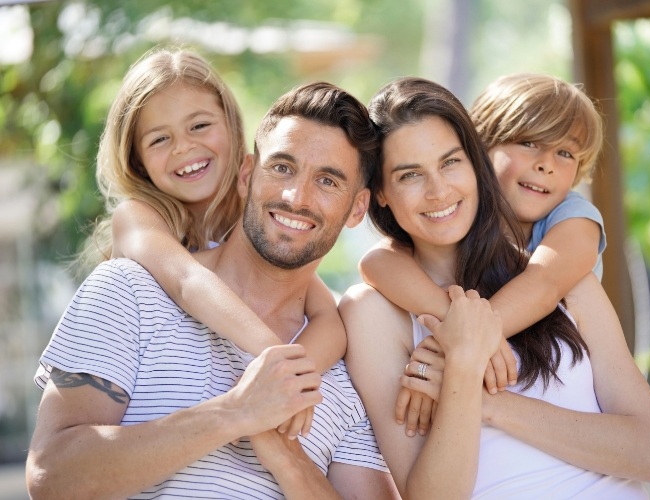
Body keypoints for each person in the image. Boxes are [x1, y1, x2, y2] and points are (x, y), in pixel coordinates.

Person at [26, 82, 399, 499]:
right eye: (282, 167)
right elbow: (50, 476)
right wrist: (233, 413)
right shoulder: (129, 289)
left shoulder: (345, 369)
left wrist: (285, 455)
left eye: (328, 181)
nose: (297, 197)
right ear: (246, 175)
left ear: (358, 208)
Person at [339, 77, 650, 498]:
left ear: (474, 163)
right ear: (381, 193)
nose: (439, 190)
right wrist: (464, 356)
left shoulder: (564, 275)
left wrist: (478, 390)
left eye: (450, 162)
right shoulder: (374, 311)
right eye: (410, 175)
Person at [79, 47, 348, 437]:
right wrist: (276, 361)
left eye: (199, 126)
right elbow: (189, 282)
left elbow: (328, 318)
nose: (183, 147)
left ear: (231, 126)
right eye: (159, 139)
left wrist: (295, 382)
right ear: (137, 161)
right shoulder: (138, 218)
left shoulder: (259, 215)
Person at [358, 74, 606, 429]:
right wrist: (457, 330)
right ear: (482, 147)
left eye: (565, 153)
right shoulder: (460, 219)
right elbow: (377, 261)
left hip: (577, 394)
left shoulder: (574, 218)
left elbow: (544, 284)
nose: (547, 163)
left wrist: (461, 343)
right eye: (529, 142)